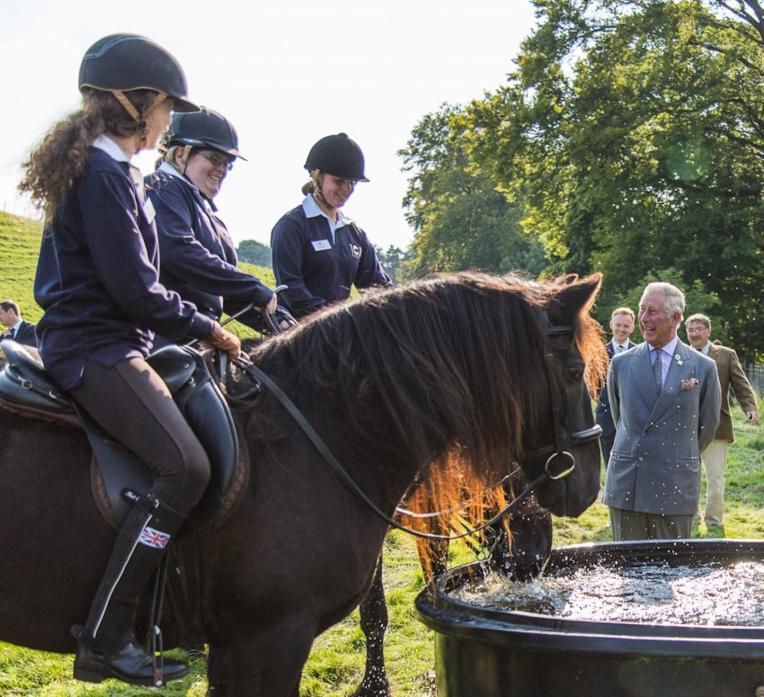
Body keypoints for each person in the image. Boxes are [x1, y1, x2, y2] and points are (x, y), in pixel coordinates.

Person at [18, 34, 240, 686]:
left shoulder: (112, 169)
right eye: (168, 107)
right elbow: (135, 290)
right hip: (96, 348)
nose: (171, 120)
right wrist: (210, 327)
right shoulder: (103, 174)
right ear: (137, 104)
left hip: (116, 342)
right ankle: (107, 637)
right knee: (186, 466)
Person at [603, 282, 721, 541]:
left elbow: (708, 425)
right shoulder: (620, 364)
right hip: (628, 485)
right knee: (627, 573)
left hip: (675, 486)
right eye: (641, 310)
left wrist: (676, 453)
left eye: (652, 311)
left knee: (672, 571)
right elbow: (619, 418)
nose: (643, 319)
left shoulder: (703, 367)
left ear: (675, 318)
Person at [146, 108, 277, 340]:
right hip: (164, 333)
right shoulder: (162, 188)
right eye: (215, 159)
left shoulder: (206, 210)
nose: (222, 169)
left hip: (202, 333)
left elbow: (226, 293)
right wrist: (251, 286)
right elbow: (178, 251)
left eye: (228, 163)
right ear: (180, 155)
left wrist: (280, 323)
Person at [270, 132, 392, 319]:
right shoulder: (291, 226)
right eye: (339, 181)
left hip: (339, 331)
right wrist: (336, 320)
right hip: (297, 333)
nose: (347, 190)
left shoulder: (355, 235)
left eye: (352, 183)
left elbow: (378, 288)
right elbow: (291, 287)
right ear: (316, 176)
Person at [685, 313, 759, 533]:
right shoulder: (681, 355)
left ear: (708, 331)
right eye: (691, 330)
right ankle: (691, 515)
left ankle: (714, 521)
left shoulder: (726, 355)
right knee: (688, 475)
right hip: (685, 428)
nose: (695, 333)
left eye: (699, 329)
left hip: (717, 426)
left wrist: (750, 407)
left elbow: (740, 383)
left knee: (715, 477)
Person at [594, 307, 636, 468]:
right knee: (610, 464)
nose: (621, 329)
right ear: (611, 325)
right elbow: (594, 386)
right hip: (606, 418)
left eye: (626, 326)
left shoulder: (640, 352)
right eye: (618, 325)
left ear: (632, 328)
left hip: (633, 418)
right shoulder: (599, 353)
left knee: (631, 464)